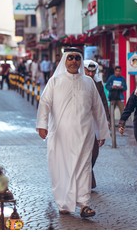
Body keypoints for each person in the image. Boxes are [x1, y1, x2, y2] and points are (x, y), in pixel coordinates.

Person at [36, 47, 109, 218]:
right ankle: (64, 203)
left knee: (84, 168)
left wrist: (103, 132)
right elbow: (45, 103)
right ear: (64, 60)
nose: (74, 61)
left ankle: (84, 204)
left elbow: (98, 108)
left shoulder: (89, 82)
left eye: (77, 58)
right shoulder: (55, 81)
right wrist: (42, 124)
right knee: (62, 168)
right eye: (70, 58)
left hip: (84, 134)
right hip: (60, 135)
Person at [84, 60, 111, 189]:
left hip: (95, 120)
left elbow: (103, 101)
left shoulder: (98, 82)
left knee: (94, 152)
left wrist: (107, 119)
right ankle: (85, 181)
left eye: (92, 72)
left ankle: (87, 177)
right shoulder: (78, 82)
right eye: (87, 71)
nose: (90, 74)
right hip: (79, 121)